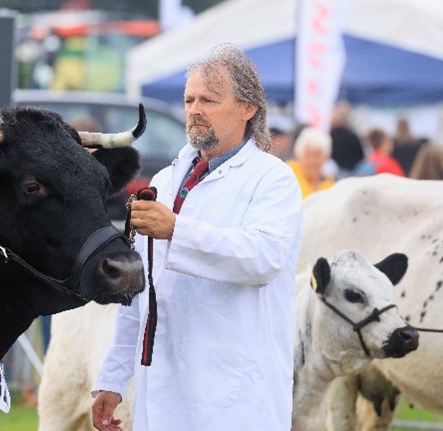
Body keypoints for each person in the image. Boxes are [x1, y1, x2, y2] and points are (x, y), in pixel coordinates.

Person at [91, 43, 303, 431]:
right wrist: (113, 378)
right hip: (162, 388)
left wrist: (176, 231)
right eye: (189, 99)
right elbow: (138, 289)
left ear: (248, 108)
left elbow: (264, 258)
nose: (194, 110)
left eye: (209, 99)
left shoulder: (273, 179)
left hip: (235, 396)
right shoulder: (165, 181)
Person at [287, 126, 335, 199]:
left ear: (326, 158)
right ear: (298, 155)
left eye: (317, 156)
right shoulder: (289, 175)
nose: (313, 161)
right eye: (308, 155)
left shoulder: (328, 181)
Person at [329, 100, 364, 178]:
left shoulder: (329, 136)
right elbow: (361, 156)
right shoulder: (353, 136)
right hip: (352, 173)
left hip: (335, 174)